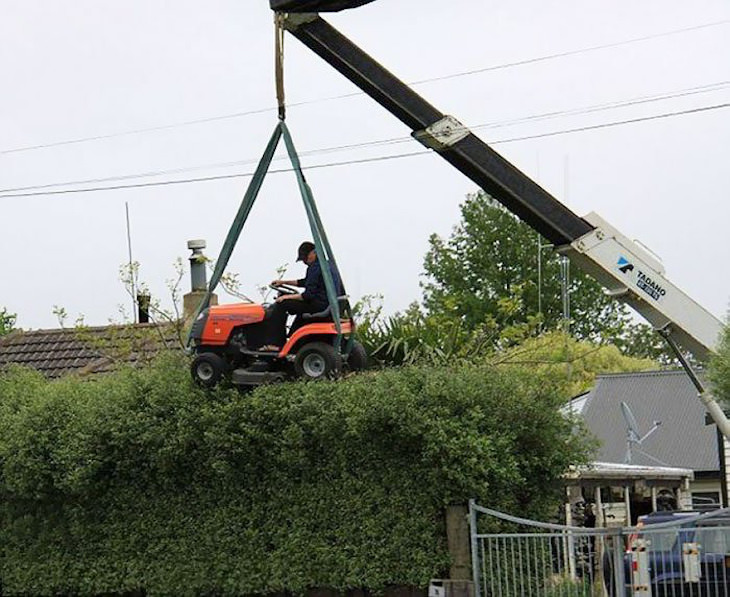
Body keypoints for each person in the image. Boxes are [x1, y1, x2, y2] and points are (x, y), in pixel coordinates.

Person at [259, 241, 343, 351]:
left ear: (314, 253)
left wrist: (285, 297)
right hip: (328, 304)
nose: (304, 262)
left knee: (281, 305)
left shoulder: (315, 267)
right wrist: (283, 282)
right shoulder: (328, 265)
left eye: (305, 258)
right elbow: (306, 282)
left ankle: (275, 344)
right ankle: (293, 340)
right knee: (290, 304)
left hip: (319, 305)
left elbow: (307, 296)